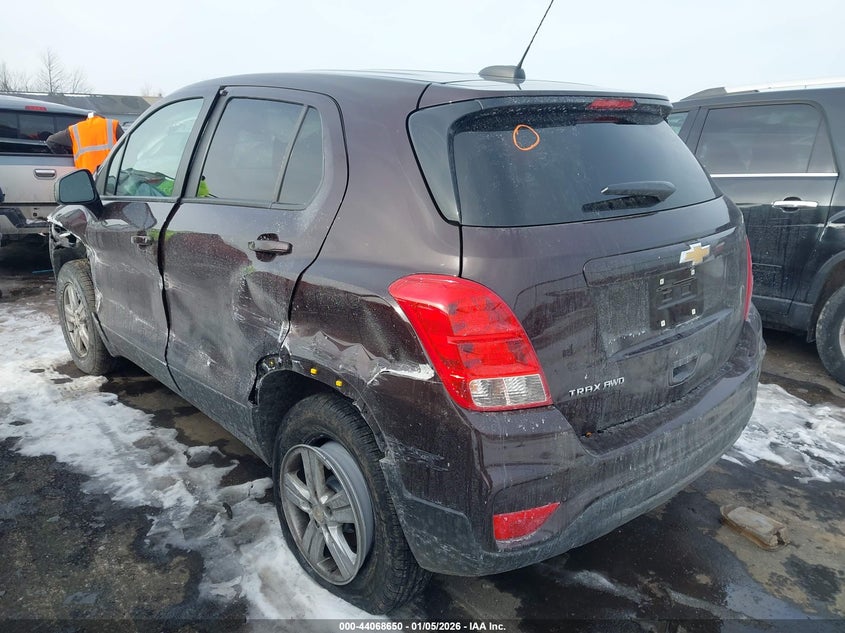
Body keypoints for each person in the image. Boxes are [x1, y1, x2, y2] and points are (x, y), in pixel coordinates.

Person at [46, 112, 123, 173]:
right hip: (111, 172)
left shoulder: (75, 129)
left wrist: (65, 155)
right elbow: (128, 145)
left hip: (87, 174)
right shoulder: (112, 124)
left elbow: (50, 141)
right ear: (102, 119)